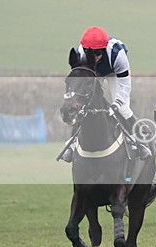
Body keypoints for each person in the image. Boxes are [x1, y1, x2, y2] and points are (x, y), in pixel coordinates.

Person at [61, 26, 150, 163]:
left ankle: (139, 142)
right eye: (91, 53)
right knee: (84, 108)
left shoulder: (118, 55)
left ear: (104, 49)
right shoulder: (81, 54)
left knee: (123, 109)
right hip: (93, 75)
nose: (95, 57)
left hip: (114, 73)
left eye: (98, 53)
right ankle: (71, 146)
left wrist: (116, 104)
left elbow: (125, 85)